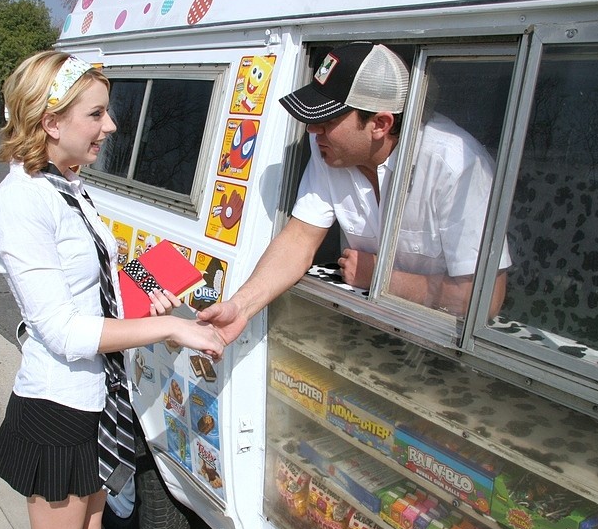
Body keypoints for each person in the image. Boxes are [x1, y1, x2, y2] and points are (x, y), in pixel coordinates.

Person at [0, 50, 224, 529]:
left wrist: (147, 285)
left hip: (99, 395)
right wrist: (170, 327)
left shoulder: (67, 184)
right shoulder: (21, 202)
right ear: (50, 122)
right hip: (58, 406)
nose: (111, 125)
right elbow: (64, 331)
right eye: (95, 114)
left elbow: (98, 268)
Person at [199, 42, 511, 344]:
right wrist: (240, 307)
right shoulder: (330, 151)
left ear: (380, 124)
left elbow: (485, 299)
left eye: (326, 120)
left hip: (444, 342)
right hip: (368, 328)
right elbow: (300, 239)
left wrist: (381, 277)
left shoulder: (457, 166)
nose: (311, 130)